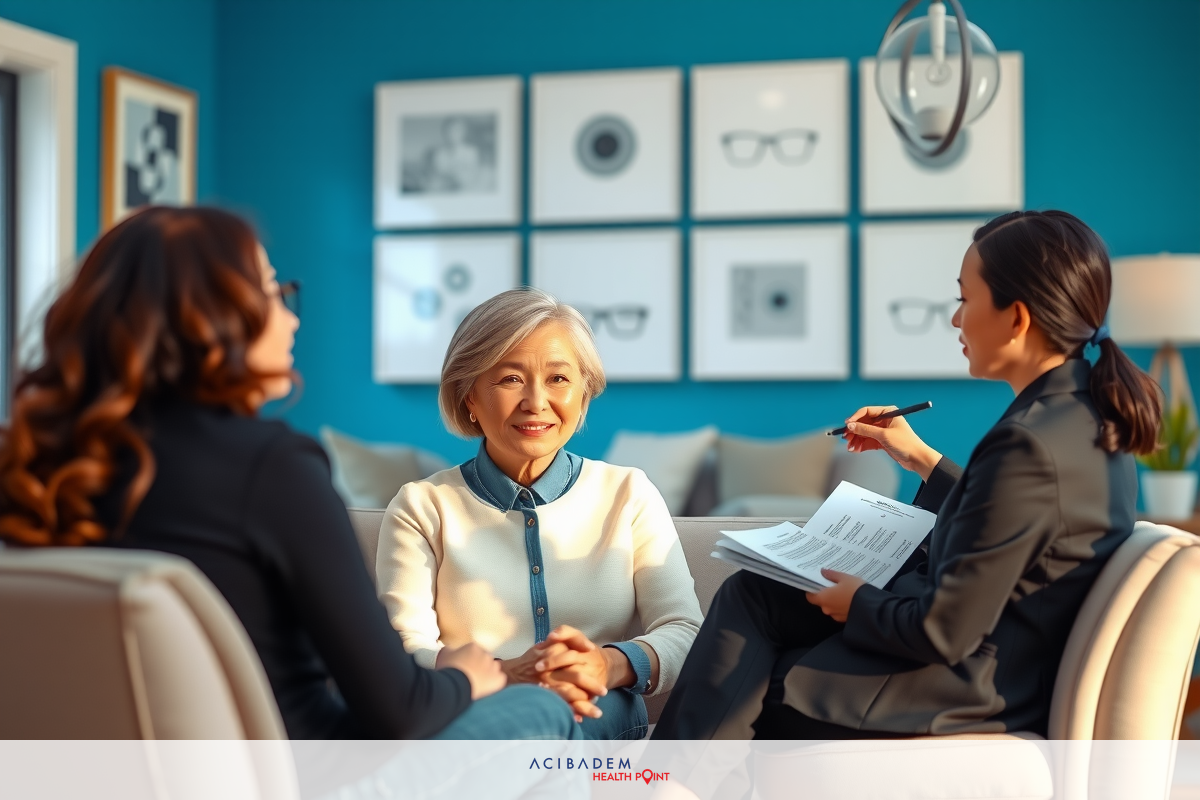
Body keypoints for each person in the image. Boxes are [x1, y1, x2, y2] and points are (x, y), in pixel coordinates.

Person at [0, 206, 578, 743]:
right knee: (546, 710)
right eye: (274, 292)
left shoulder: (31, 464)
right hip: (299, 775)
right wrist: (466, 675)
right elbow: (400, 711)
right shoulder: (271, 467)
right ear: (217, 318)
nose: (289, 318)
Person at [654, 209, 1162, 740]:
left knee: (749, 681)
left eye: (965, 299)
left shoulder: (1028, 443)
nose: (956, 319)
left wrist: (855, 602)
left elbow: (943, 632)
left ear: (1016, 318)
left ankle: (669, 784)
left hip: (965, 687)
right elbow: (1009, 516)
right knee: (754, 593)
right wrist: (918, 456)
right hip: (993, 659)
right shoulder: (1086, 418)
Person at [376, 287, 703, 740]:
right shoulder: (421, 507)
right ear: (468, 395)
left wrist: (607, 664)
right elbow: (402, 651)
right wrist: (505, 674)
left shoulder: (628, 493)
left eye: (558, 379)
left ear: (584, 392)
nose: (536, 401)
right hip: (475, 712)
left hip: (598, 710)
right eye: (510, 379)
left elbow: (686, 630)